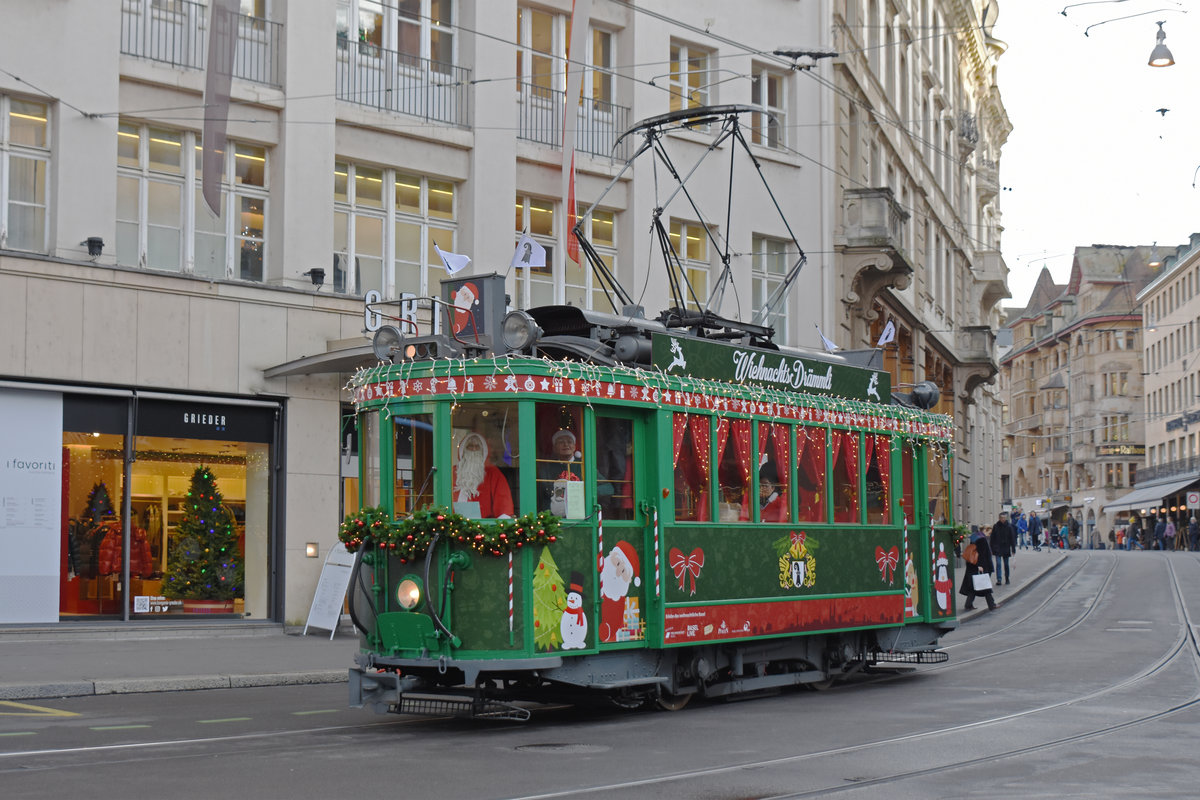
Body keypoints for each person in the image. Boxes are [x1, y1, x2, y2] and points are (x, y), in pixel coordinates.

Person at [453, 433, 514, 518]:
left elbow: (503, 501)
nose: (474, 449)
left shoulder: (493, 473)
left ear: (483, 450)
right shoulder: (453, 472)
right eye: (470, 446)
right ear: (463, 449)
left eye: (477, 446)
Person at [538, 429, 583, 515]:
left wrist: (582, 490)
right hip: (553, 516)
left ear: (574, 446)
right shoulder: (547, 467)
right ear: (554, 448)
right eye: (561, 442)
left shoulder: (583, 465)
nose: (566, 444)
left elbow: (607, 488)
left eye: (569, 442)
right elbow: (544, 491)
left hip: (580, 513)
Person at [959, 529, 997, 611]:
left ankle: (968, 604)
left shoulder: (974, 538)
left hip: (972, 567)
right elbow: (982, 555)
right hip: (980, 567)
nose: (989, 534)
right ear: (985, 530)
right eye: (989, 532)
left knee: (974, 587)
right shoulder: (982, 540)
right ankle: (991, 604)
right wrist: (980, 565)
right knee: (984, 586)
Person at [990, 510, 1016, 585]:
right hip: (997, 548)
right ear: (999, 518)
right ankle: (999, 579)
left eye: (1004, 518)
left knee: (1006, 564)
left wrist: (1013, 549)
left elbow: (1012, 538)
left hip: (1006, 548)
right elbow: (992, 538)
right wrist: (992, 548)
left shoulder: (1009, 526)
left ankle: (1007, 578)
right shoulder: (996, 526)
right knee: (998, 564)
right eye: (1002, 518)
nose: (1003, 519)